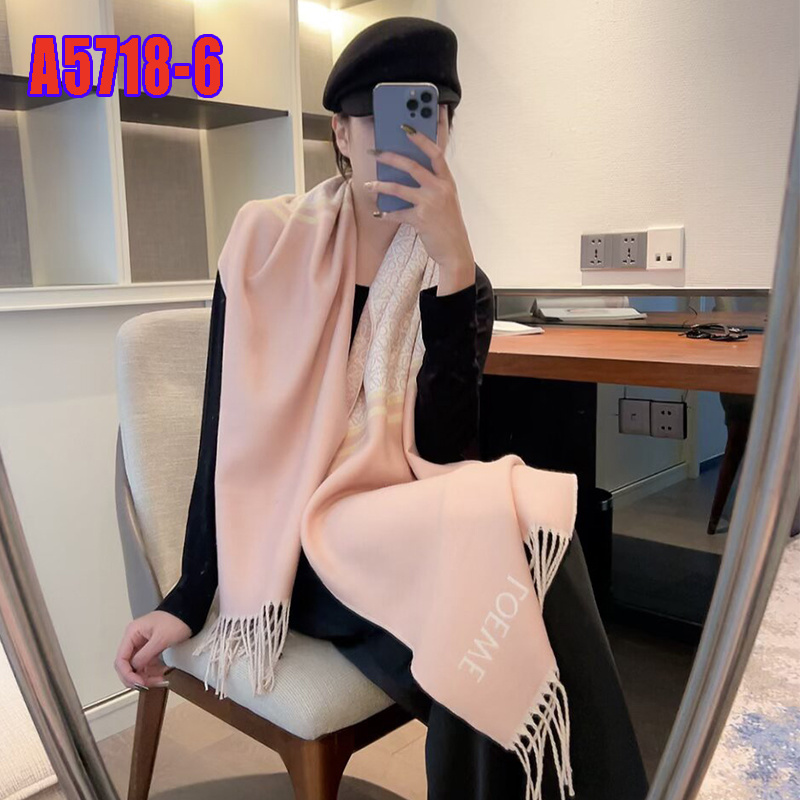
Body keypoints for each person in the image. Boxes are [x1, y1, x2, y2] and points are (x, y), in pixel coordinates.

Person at [115, 17, 648, 799]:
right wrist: (189, 597)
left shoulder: (458, 277)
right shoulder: (264, 243)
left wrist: (452, 270)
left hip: (398, 531)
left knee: (501, 594)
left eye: (431, 119)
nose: (409, 143)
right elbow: (224, 434)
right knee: (489, 595)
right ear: (340, 130)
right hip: (297, 547)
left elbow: (445, 458)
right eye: (383, 121)